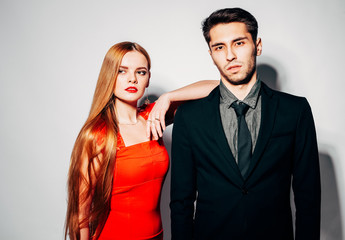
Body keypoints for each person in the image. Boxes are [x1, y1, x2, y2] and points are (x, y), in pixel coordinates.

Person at [170, 8, 321, 240]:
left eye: (239, 43)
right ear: (211, 54)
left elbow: (308, 197)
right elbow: (181, 202)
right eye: (219, 47)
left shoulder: (295, 111)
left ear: (257, 46)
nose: (229, 55)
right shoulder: (189, 117)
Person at [64, 42, 218, 240]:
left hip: (157, 235)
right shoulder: (97, 135)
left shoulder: (154, 117)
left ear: (148, 79)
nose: (132, 79)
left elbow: (216, 88)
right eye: (122, 71)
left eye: (141, 72)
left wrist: (168, 98)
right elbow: (80, 217)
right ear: (109, 75)